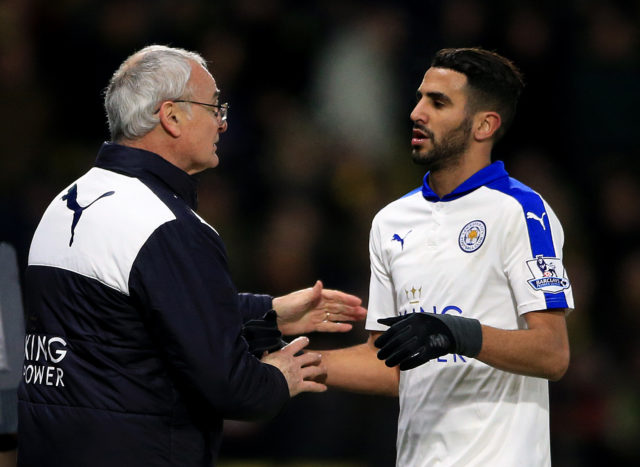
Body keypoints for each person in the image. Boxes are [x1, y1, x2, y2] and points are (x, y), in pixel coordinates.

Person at [17, 45, 366, 467]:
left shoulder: (66, 201)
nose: (222, 123)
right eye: (214, 107)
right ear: (172, 116)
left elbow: (132, 318)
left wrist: (269, 313)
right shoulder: (165, 225)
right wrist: (278, 377)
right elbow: (231, 387)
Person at [321, 47, 573, 466]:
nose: (417, 112)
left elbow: (552, 353)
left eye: (438, 102)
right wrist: (290, 363)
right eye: (420, 97)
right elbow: (386, 363)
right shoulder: (390, 220)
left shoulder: (521, 212)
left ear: (484, 125)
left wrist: (459, 333)